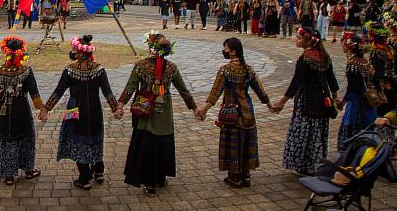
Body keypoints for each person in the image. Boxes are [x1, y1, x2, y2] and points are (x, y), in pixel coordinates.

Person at [119, 32, 196, 194]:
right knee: (161, 143)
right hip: (164, 111)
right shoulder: (172, 67)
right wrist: (195, 108)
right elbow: (183, 90)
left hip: (145, 108)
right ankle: (159, 177)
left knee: (146, 143)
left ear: (150, 46)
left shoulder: (141, 65)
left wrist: (120, 105)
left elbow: (130, 87)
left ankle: (149, 181)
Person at [41, 35, 120, 191]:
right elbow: (107, 92)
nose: (72, 53)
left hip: (75, 110)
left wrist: (46, 108)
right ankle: (99, 171)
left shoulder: (70, 70)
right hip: (95, 111)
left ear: (80, 53)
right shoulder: (99, 69)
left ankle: (84, 178)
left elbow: (59, 91)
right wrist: (115, 108)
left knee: (79, 143)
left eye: (74, 50)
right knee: (95, 140)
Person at [195, 38, 271, 188]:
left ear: (233, 51)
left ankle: (235, 178)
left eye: (226, 49)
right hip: (248, 112)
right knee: (247, 144)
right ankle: (246, 176)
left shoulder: (225, 70)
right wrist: (270, 105)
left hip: (232, 114)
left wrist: (203, 110)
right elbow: (260, 91)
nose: (224, 51)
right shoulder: (248, 69)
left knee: (234, 145)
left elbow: (215, 93)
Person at [0, 35, 43, 185]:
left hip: (3, 110)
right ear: (21, 52)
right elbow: (34, 93)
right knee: (25, 138)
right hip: (22, 110)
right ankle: (29, 170)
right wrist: (42, 109)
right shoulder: (26, 71)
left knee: (6, 139)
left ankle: (9, 175)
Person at [271, 28, 339, 176]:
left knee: (304, 130)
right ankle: (315, 162)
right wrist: (335, 97)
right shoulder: (324, 56)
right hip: (323, 99)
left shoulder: (306, 58)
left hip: (307, 99)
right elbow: (331, 79)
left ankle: (302, 164)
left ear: (308, 40)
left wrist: (282, 101)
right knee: (318, 131)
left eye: (299, 38)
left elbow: (297, 81)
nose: (297, 40)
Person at [336, 31, 377, 151]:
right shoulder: (365, 61)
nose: (342, 45)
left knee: (354, 127)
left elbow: (352, 88)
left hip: (357, 103)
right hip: (368, 101)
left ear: (348, 46)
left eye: (343, 42)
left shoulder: (352, 63)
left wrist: (342, 102)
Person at [368, 22, 396, 116]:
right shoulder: (389, 48)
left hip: (382, 86)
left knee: (381, 112)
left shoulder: (376, 52)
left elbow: (376, 73)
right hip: (392, 82)